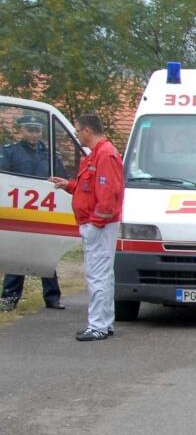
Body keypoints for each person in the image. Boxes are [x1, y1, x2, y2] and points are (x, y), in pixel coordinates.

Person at [49, 114, 123, 341]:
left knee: (97, 275)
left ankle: (98, 325)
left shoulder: (105, 154)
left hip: (99, 225)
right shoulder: (98, 154)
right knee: (103, 275)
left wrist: (96, 223)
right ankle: (104, 322)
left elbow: (108, 194)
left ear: (87, 131)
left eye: (77, 130)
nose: (76, 133)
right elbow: (91, 189)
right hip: (97, 223)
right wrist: (70, 186)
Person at [1, 114, 68, 311]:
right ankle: (9, 299)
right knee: (17, 256)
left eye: (37, 130)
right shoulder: (10, 153)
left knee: (46, 256)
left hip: (45, 212)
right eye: (29, 130)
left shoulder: (50, 155)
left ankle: (52, 298)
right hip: (18, 212)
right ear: (20, 131)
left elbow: (63, 180)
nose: (33, 134)